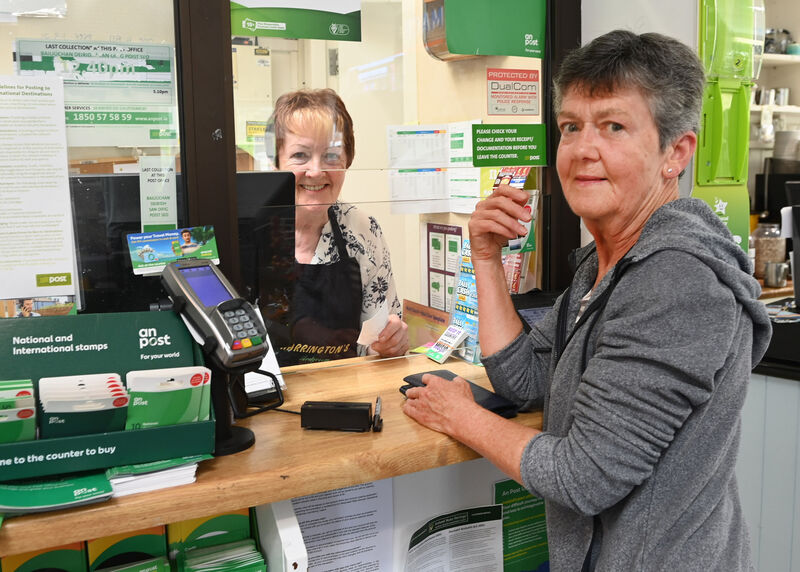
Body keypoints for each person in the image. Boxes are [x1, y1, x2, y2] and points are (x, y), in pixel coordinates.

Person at [402, 30, 772, 571]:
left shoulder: (676, 279)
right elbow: (524, 378)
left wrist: (463, 417)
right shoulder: (604, 263)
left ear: (675, 153)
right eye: (570, 127)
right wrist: (485, 258)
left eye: (613, 126)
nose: (581, 150)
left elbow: (584, 476)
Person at [268, 88, 409, 364]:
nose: (316, 171)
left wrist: (388, 345)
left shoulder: (363, 230)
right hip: (268, 388)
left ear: (347, 160)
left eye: (331, 155)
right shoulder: (249, 233)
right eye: (300, 155)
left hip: (345, 386)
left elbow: (374, 346)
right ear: (277, 163)